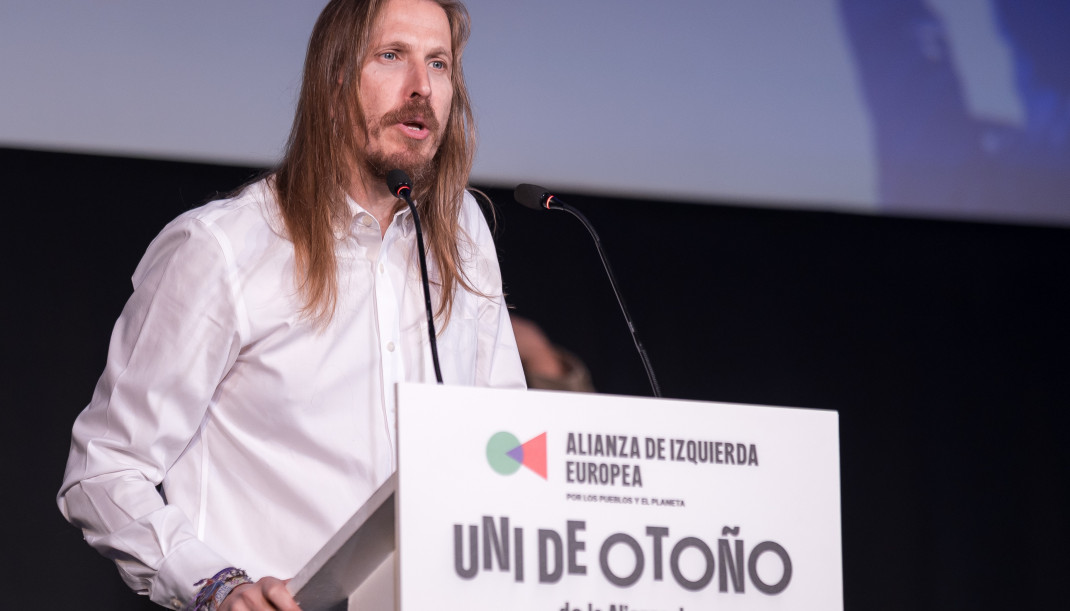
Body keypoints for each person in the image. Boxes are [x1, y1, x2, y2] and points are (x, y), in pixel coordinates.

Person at [57, 0, 525, 609]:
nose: (421, 89)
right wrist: (216, 586)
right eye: (392, 56)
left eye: (439, 64)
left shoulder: (461, 232)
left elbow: (509, 434)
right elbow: (104, 468)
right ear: (332, 80)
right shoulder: (225, 248)